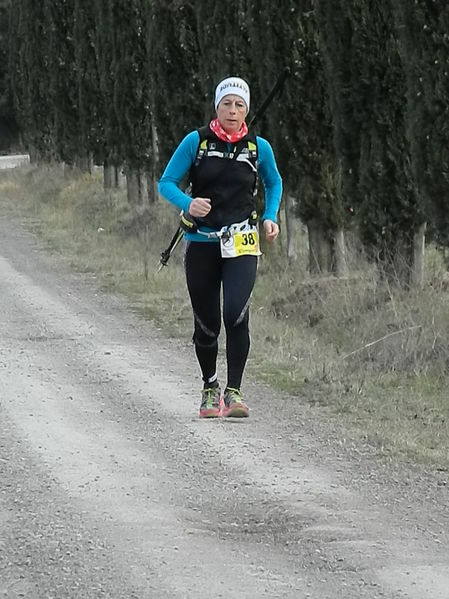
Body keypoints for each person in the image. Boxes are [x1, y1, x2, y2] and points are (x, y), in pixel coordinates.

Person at [158, 76, 282, 419]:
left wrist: (270, 216)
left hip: (242, 241)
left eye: (239, 105)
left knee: (236, 314)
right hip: (202, 242)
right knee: (208, 322)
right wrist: (187, 203)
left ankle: (235, 392)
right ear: (216, 106)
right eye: (226, 103)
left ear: (247, 110)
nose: (233, 110)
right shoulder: (196, 142)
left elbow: (273, 181)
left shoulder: (259, 147)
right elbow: (166, 182)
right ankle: (210, 387)